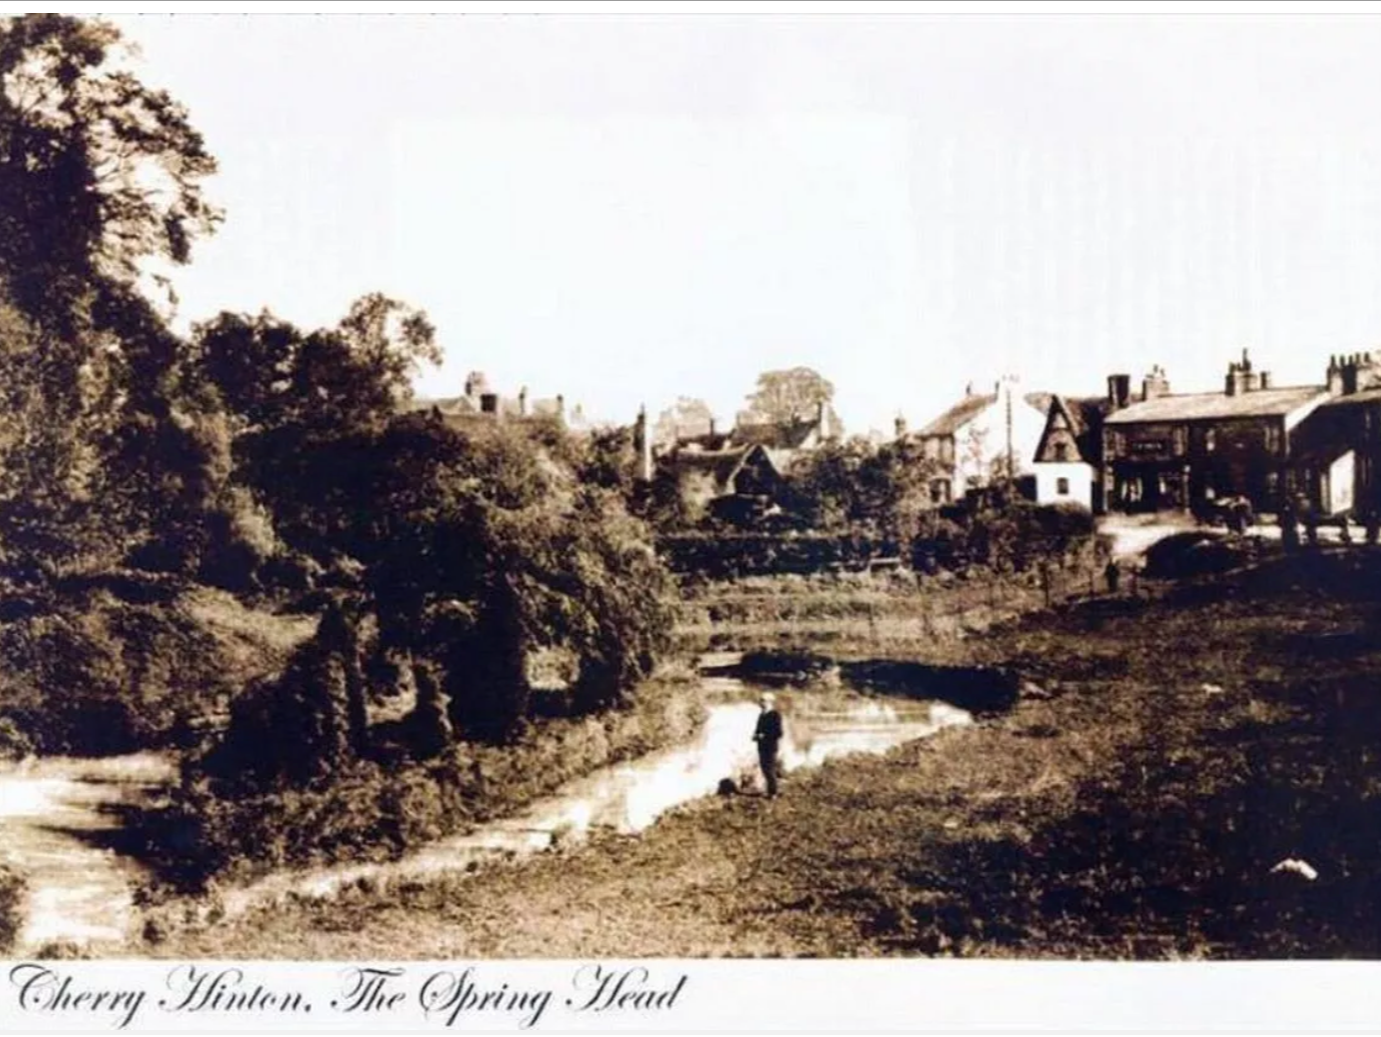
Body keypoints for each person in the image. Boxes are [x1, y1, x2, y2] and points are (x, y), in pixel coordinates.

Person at [753, 692, 784, 798]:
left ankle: (773, 792)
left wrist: (764, 735)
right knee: (764, 768)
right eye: (760, 700)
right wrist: (755, 735)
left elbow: (779, 733)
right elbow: (758, 730)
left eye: (763, 700)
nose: (761, 703)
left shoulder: (775, 715)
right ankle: (770, 790)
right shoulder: (761, 715)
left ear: (770, 702)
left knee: (769, 769)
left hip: (771, 747)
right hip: (761, 746)